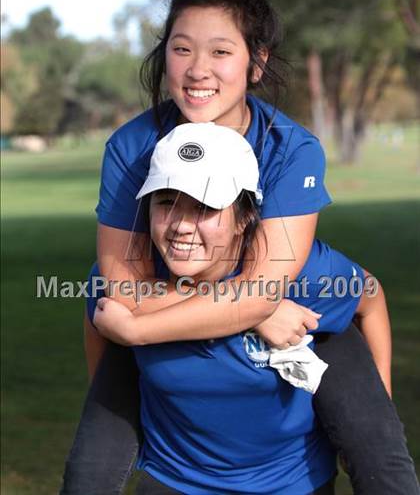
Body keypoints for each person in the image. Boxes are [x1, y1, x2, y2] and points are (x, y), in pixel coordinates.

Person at [60, 0, 419, 495]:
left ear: (256, 63)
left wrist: (143, 326)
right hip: (178, 298)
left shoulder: (290, 149)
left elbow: (275, 291)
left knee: (385, 468)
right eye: (181, 49)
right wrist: (252, 312)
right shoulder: (133, 146)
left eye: (221, 51)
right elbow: (119, 291)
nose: (197, 69)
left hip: (291, 299)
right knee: (87, 475)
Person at [90, 121, 390, 494]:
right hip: (175, 482)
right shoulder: (127, 285)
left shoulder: (304, 275)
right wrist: (255, 310)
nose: (181, 226)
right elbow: (102, 337)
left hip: (292, 484)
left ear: (244, 218)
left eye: (204, 206)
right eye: (166, 202)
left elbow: (371, 297)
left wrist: (377, 416)